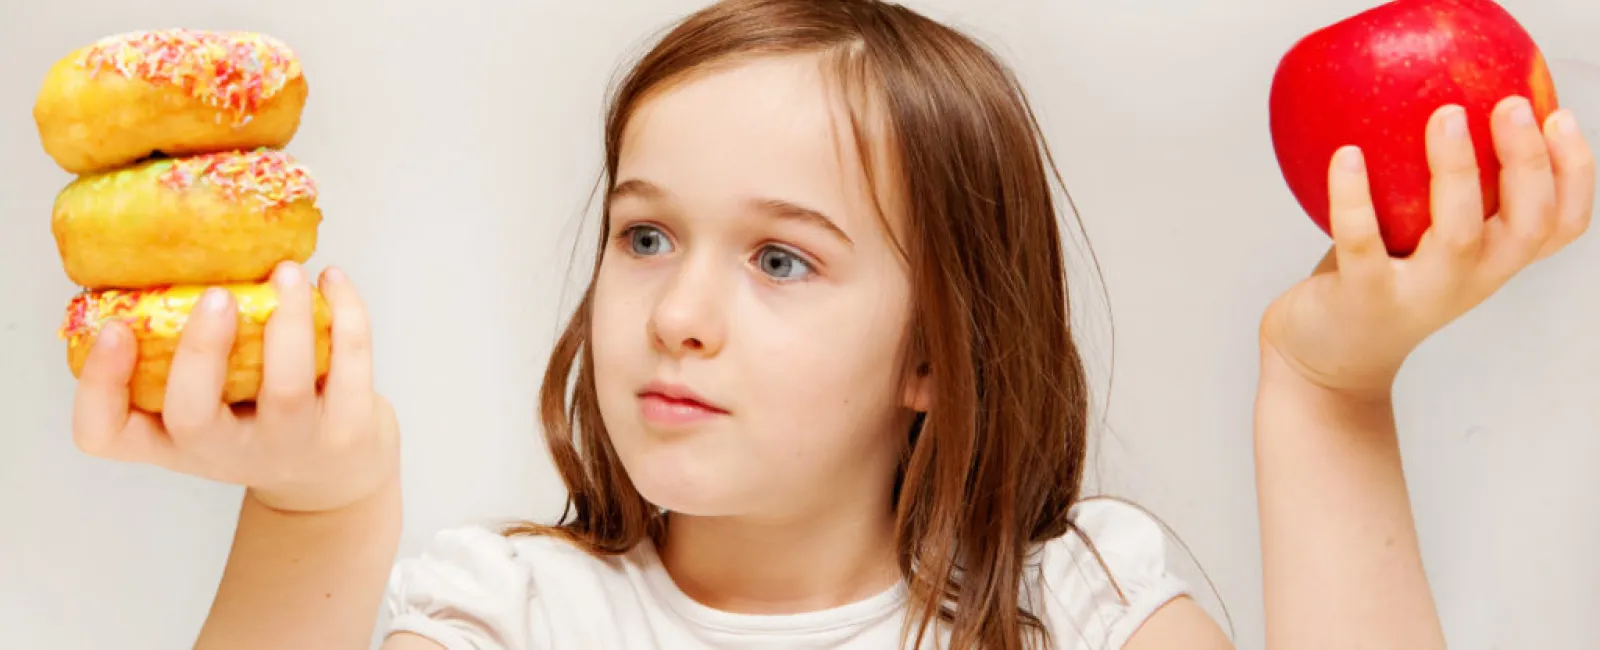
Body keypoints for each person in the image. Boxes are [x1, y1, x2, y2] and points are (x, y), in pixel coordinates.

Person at [66, 0, 1594, 648]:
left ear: (935, 349)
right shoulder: (509, 613)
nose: (680, 312)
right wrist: (311, 506)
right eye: (646, 232)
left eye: (783, 261)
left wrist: (1324, 392)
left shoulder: (1079, 600)